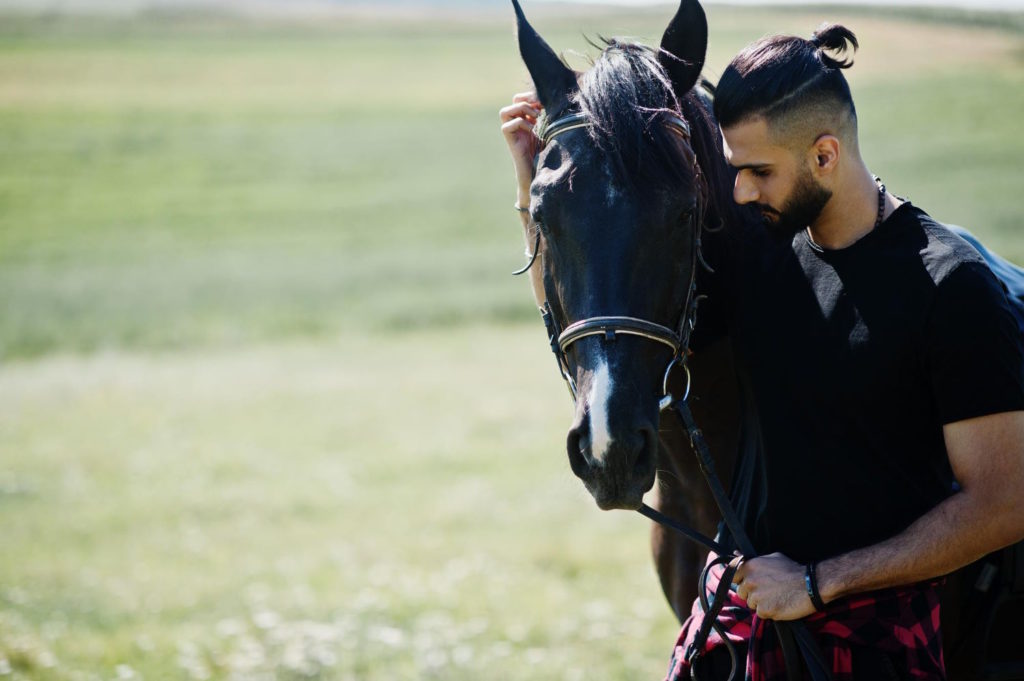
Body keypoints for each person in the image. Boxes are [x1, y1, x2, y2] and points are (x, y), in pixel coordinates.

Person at [500, 22, 1024, 681]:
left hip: (874, 638)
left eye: (756, 172)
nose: (739, 192)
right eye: (730, 168)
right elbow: (613, 290)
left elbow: (1007, 503)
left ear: (825, 155)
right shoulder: (762, 263)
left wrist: (814, 582)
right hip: (746, 626)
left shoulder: (951, 287)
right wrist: (536, 191)